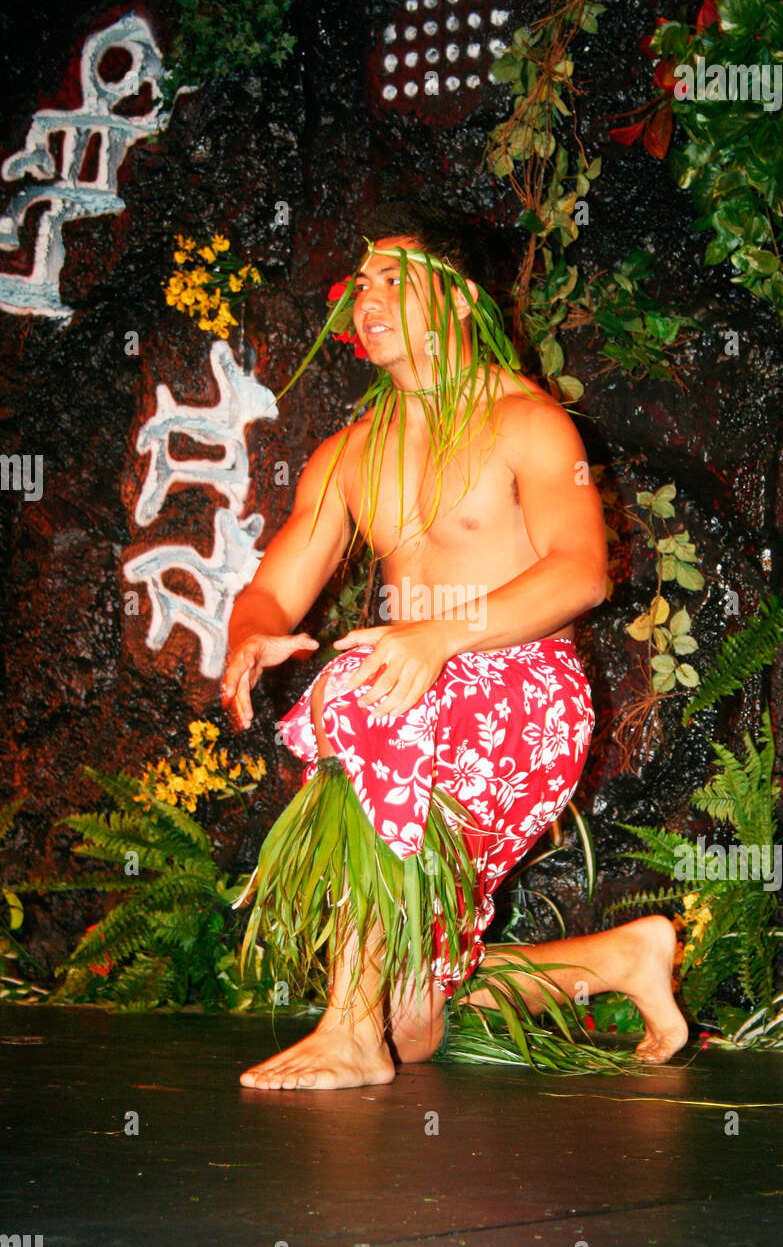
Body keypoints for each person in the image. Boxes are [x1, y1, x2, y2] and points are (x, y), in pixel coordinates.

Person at [221, 203, 688, 1090]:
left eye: (399, 279)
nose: (370, 299)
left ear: (464, 301)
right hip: (419, 700)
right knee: (418, 1025)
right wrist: (251, 635)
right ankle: (621, 959)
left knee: (362, 684)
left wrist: (442, 634)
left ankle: (347, 1034)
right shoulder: (350, 454)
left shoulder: (527, 422)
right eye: (361, 284)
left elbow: (584, 573)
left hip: (524, 695)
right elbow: (275, 587)